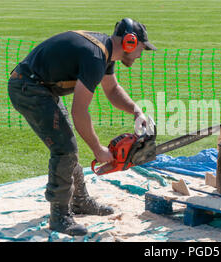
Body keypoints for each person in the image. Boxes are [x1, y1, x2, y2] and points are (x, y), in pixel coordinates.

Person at [8, 18, 157, 236]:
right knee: (65, 149)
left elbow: (112, 90)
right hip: (28, 87)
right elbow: (79, 112)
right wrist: (98, 150)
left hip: (40, 86)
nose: (140, 55)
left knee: (68, 147)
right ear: (130, 42)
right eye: (141, 49)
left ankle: (79, 201)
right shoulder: (95, 56)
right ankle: (59, 216)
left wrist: (136, 111)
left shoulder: (105, 53)